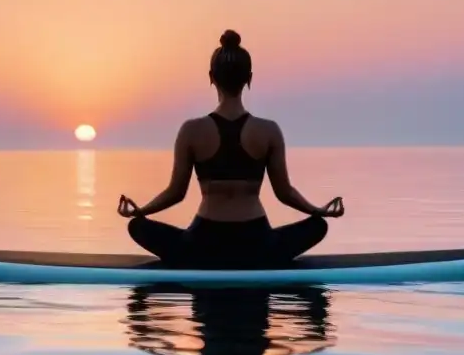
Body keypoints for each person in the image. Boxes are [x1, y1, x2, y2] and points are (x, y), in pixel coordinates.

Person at [117, 29, 344, 267]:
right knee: (318, 225)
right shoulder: (268, 131)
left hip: (201, 245)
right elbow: (284, 192)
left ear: (211, 77)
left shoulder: (191, 131)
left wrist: (141, 211)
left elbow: (176, 193)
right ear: (249, 78)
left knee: (138, 226)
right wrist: (318, 210)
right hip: (259, 245)